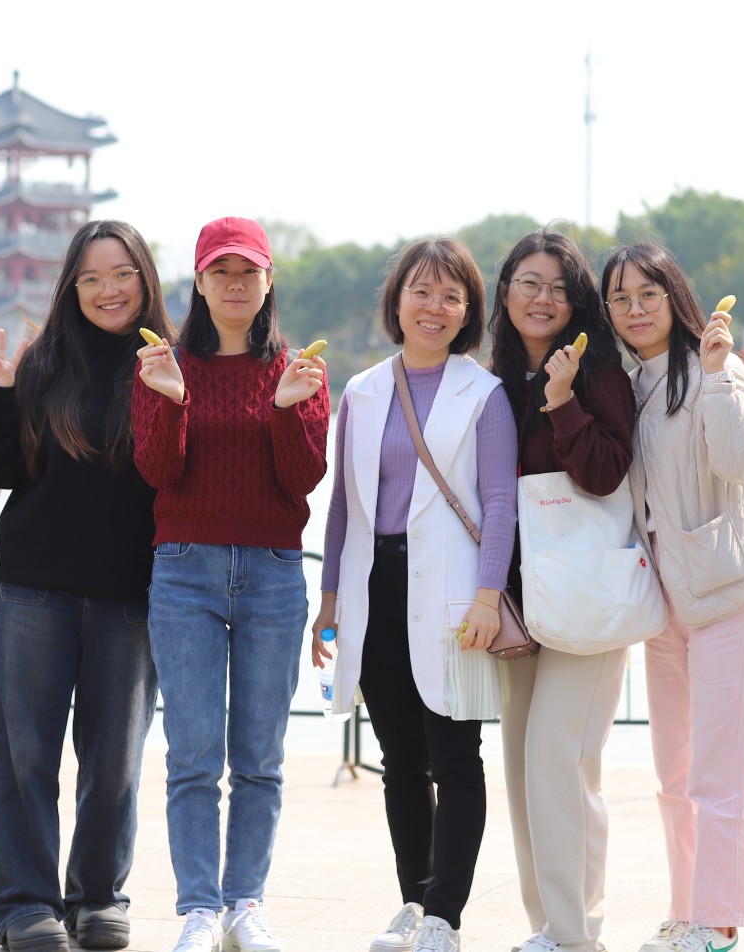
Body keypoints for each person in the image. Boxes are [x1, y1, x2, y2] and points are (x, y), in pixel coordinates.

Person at [0, 221, 172, 952]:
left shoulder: (169, 364)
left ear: (145, 278)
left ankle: (98, 897)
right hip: (36, 587)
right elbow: (2, 472)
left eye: (121, 275)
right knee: (25, 754)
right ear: (71, 288)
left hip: (131, 592)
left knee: (114, 760)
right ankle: (25, 904)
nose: (107, 290)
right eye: (90, 279)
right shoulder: (44, 362)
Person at [311, 236, 519, 952]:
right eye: (421, 292)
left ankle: (443, 916)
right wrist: (329, 600)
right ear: (396, 302)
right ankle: (412, 899)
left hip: (455, 593)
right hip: (375, 588)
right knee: (400, 761)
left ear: (468, 311)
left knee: (455, 757)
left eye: (451, 296)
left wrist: (489, 595)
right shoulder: (363, 391)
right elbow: (343, 504)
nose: (434, 307)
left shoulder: (483, 393)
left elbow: (499, 503)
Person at [132, 216, 330, 952]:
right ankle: (198, 908)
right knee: (192, 755)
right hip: (184, 570)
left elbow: (303, 478)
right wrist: (172, 399)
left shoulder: (299, 370)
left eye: (249, 271)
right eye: (221, 271)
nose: (235, 284)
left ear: (269, 280)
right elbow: (157, 471)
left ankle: (246, 903)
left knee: (259, 758)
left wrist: (285, 409)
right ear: (199, 282)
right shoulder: (164, 363)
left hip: (274, 572)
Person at [600, 242, 744, 952]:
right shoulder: (632, 384)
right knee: (674, 774)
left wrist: (714, 377)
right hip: (666, 598)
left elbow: (739, 463)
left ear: (673, 296)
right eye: (620, 298)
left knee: (721, 772)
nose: (635, 309)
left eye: (647, 294)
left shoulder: (718, 368)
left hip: (727, 586)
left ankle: (719, 923)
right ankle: (687, 909)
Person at [487, 231, 635, 952]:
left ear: (576, 302)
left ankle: (575, 935)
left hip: (587, 595)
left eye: (557, 288)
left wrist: (561, 402)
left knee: (559, 758)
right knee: (524, 766)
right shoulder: (495, 378)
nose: (541, 299)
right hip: (520, 602)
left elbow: (606, 474)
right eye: (528, 283)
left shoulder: (596, 373)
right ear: (505, 291)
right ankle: (548, 927)